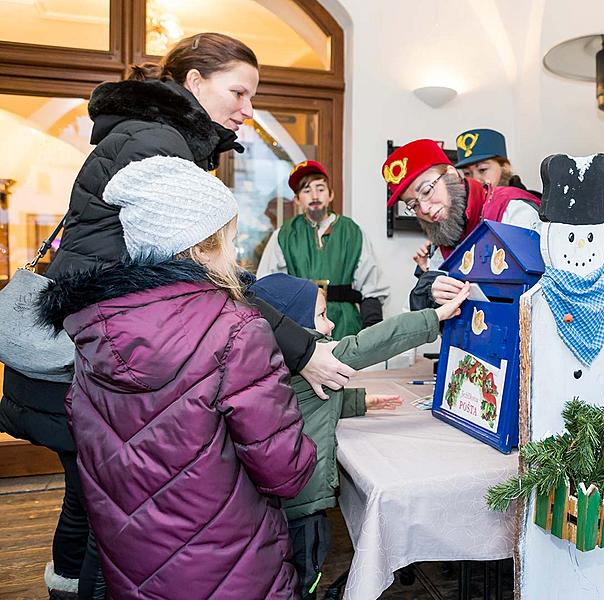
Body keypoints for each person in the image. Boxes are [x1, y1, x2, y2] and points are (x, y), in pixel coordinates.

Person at [0, 32, 350, 599]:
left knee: (99, 514)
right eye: (239, 92)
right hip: (103, 366)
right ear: (194, 83)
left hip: (90, 360)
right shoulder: (155, 144)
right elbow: (203, 279)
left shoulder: (146, 136)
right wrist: (300, 347)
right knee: (111, 530)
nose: (248, 109)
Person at [38, 155, 318, 599]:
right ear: (202, 246)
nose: (237, 248)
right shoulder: (235, 329)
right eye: (229, 236)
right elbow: (284, 472)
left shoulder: (93, 329)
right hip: (231, 564)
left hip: (132, 562)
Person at [249, 272, 469, 598]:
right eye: (322, 317)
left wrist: (359, 401)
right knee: (304, 573)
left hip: (277, 501)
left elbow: (306, 401)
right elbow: (369, 343)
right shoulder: (313, 354)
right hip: (303, 505)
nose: (331, 326)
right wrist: (433, 317)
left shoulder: (271, 361)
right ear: (294, 323)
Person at [382, 138, 541, 311]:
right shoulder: (442, 241)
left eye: (427, 191)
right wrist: (428, 294)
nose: (425, 209)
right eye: (413, 205)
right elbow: (412, 316)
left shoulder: (512, 210)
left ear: (452, 175)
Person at [258, 160, 388, 338]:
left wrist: (372, 331)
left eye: (320, 188)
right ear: (297, 199)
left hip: (347, 325)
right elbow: (268, 286)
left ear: (330, 194)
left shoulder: (352, 232)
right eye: (306, 190)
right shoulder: (284, 235)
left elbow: (372, 285)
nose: (315, 196)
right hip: (299, 325)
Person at [454, 127, 539, 195]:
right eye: (467, 173)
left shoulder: (528, 204)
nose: (475, 180)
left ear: (505, 167)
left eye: (482, 169)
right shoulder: (466, 209)